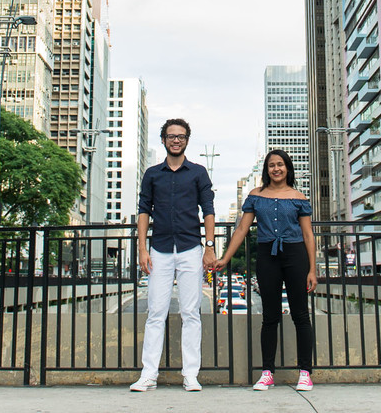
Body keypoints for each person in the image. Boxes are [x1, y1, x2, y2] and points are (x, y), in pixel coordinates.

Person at [214, 149, 316, 392]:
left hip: (295, 255)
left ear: (287, 168)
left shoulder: (299, 198)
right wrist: (225, 258)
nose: (276, 169)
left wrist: (312, 269)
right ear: (266, 170)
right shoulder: (256, 196)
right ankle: (267, 372)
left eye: (280, 164)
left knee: (301, 315)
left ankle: (305, 373)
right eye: (272, 165)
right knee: (270, 316)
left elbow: (308, 235)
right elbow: (242, 229)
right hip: (267, 255)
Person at [129, 118, 216, 393]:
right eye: (171, 136)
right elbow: (144, 211)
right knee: (156, 312)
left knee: (191, 313)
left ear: (187, 140)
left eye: (180, 136)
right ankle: (148, 375)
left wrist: (210, 246)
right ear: (164, 140)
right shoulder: (152, 174)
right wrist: (142, 249)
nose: (176, 140)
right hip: (160, 250)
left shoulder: (198, 172)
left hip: (191, 249)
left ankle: (190, 375)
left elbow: (208, 210)